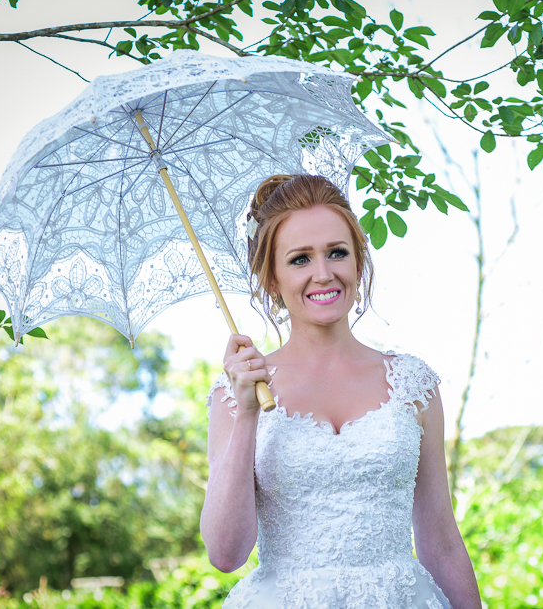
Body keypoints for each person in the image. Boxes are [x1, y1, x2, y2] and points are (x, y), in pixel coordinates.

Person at [200, 174, 481, 608]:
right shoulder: (234, 394)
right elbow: (225, 554)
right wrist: (247, 413)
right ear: (272, 279)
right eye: (299, 259)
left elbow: (441, 540)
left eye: (337, 253)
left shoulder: (414, 385)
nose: (323, 273)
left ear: (358, 263)